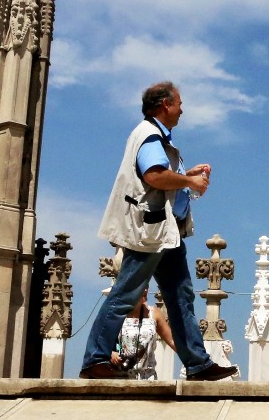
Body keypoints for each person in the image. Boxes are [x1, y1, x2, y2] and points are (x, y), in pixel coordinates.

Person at [80, 81, 239, 381]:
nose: (182, 110)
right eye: (179, 104)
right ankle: (95, 359)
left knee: (181, 296)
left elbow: (158, 177)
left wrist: (184, 175)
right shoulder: (150, 134)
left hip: (167, 233)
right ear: (166, 105)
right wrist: (190, 182)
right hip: (151, 233)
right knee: (126, 294)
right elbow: (154, 175)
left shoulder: (154, 135)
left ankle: (198, 364)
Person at [114, 289, 175, 379]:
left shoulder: (154, 313)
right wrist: (112, 354)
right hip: (122, 376)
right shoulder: (116, 313)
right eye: (141, 284)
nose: (145, 289)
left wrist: (193, 361)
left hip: (148, 377)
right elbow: (102, 342)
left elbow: (173, 342)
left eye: (146, 285)